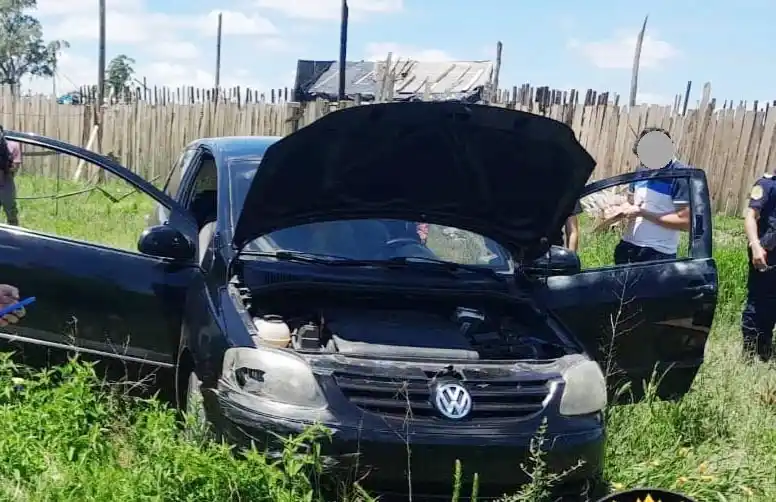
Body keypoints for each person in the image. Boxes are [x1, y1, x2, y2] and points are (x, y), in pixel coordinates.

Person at [612, 127, 691, 264]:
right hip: (628, 246)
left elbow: (685, 223)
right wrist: (618, 209)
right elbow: (631, 202)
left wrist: (643, 213)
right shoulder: (640, 170)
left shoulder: (680, 175)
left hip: (657, 253)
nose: (644, 164)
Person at [741, 172, 776, 361]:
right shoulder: (765, 185)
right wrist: (755, 246)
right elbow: (750, 216)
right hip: (765, 252)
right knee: (758, 301)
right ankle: (749, 351)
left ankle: (764, 349)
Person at [0, 127, 20, 226]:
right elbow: (15, 168)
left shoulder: (13, 145)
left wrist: (5, 166)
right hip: (6, 183)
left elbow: (15, 167)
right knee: (11, 212)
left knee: (11, 213)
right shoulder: (13, 145)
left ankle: (13, 233)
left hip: (6, 183)